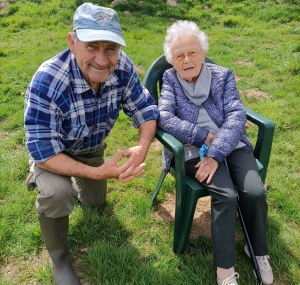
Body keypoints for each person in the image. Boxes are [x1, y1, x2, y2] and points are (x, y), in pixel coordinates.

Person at [24, 3, 158, 285]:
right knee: (57, 194)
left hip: (91, 148)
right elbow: (45, 150)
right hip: (53, 153)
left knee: (95, 202)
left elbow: (146, 110)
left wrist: (142, 147)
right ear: (73, 42)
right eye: (91, 46)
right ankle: (58, 257)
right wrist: (97, 173)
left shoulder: (122, 65)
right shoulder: (47, 80)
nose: (102, 59)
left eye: (110, 47)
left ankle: (70, 180)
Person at [158, 20, 273, 285]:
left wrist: (217, 150)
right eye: (179, 55)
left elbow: (235, 114)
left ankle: (257, 250)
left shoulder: (222, 75)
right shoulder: (170, 80)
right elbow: (164, 117)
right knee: (226, 195)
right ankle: (225, 272)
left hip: (230, 144)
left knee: (254, 191)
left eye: (192, 52)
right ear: (172, 61)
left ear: (203, 52)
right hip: (192, 149)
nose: (186, 60)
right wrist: (201, 136)